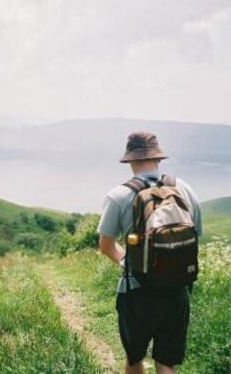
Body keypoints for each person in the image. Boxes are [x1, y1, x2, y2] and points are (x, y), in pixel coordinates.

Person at [98, 132, 202, 374]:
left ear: (130, 160)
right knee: (166, 363)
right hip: (177, 291)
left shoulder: (118, 196)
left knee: (135, 359)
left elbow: (105, 245)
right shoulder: (183, 188)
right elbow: (196, 233)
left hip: (136, 291)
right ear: (158, 158)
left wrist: (129, 261)